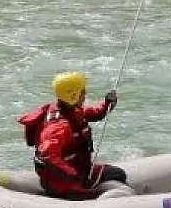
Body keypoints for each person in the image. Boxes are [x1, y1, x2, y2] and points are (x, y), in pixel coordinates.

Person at [17, 71, 129, 200]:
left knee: (118, 174)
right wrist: (75, 176)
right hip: (63, 183)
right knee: (111, 197)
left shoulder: (69, 110)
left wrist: (107, 104)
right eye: (82, 92)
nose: (85, 94)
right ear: (73, 96)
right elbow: (47, 158)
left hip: (79, 169)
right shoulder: (59, 127)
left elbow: (92, 113)